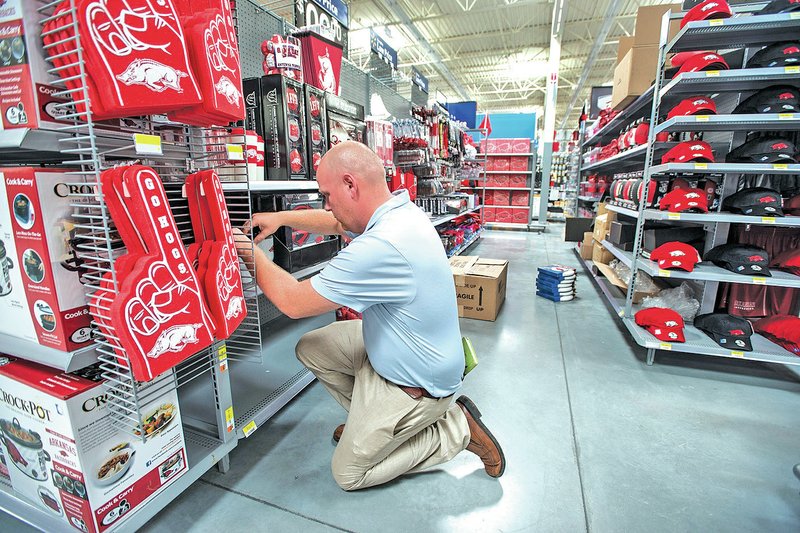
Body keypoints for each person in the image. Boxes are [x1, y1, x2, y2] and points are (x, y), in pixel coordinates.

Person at [236, 141, 505, 491]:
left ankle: (456, 429)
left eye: (327, 194)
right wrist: (280, 218)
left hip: (420, 384)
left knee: (348, 475)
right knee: (312, 346)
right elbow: (335, 223)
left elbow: (293, 302)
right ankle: (375, 429)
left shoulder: (382, 246)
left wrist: (242, 248)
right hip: (404, 352)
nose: (327, 205)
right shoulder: (399, 212)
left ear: (351, 185)